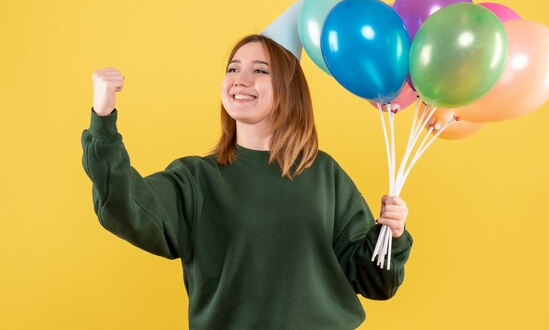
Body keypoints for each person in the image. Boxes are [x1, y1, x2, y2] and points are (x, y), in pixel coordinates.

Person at [81, 34, 412, 330]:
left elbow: (373, 281)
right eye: (233, 69)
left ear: (288, 89)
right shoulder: (196, 180)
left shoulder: (324, 173)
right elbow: (123, 206)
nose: (240, 80)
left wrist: (391, 235)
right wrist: (103, 116)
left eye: (260, 70)